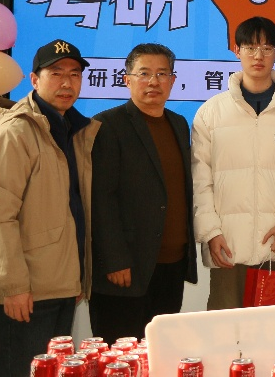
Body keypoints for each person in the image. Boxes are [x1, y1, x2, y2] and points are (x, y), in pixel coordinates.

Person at [0, 39, 100, 377]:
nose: (67, 83)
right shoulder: (15, 133)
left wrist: (77, 277)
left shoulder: (73, 130)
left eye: (74, 74)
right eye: (56, 73)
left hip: (61, 284)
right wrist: (13, 286)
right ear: (34, 80)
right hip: (28, 289)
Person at [192, 16, 275, 309]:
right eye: (250, 47)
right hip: (228, 245)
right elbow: (200, 179)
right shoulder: (211, 112)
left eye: (267, 48)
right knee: (226, 327)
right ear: (237, 50)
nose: (258, 56)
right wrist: (211, 232)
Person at [90, 43, 197, 339]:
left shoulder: (178, 123)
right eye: (144, 73)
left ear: (173, 80)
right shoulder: (107, 125)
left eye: (162, 74)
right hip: (126, 269)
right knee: (120, 354)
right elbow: (101, 199)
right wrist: (114, 260)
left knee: (161, 351)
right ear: (127, 79)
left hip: (171, 266)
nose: (153, 81)